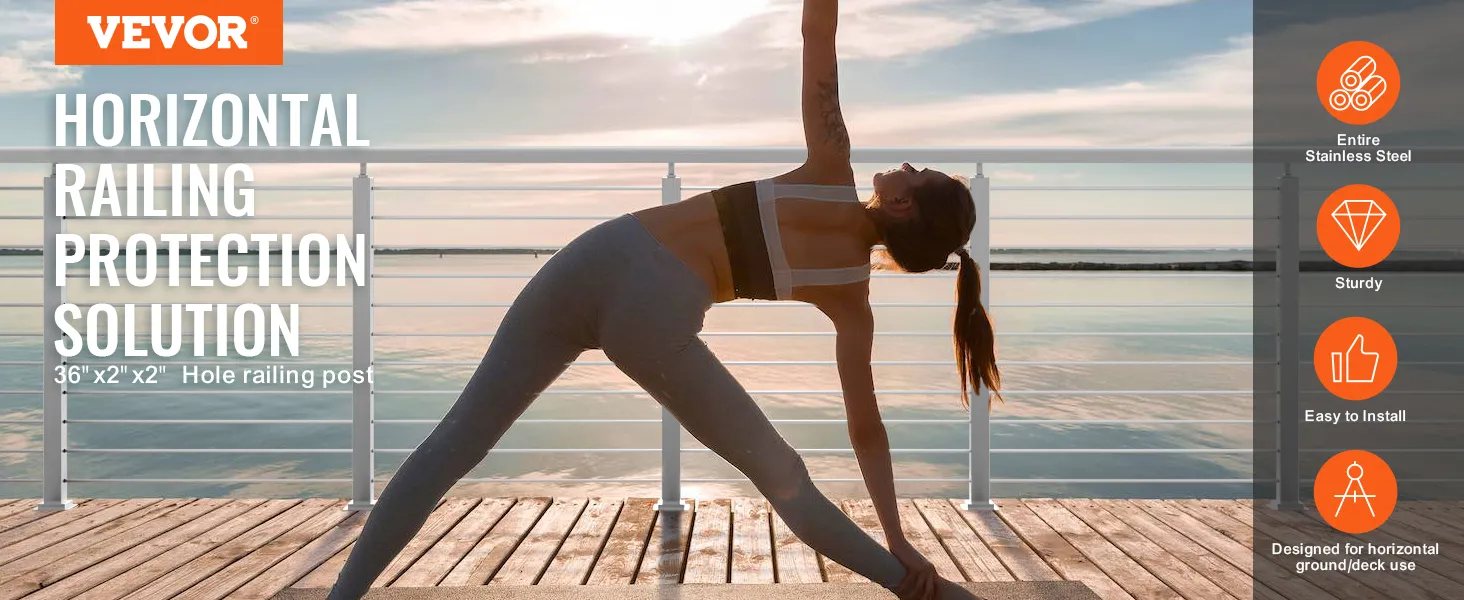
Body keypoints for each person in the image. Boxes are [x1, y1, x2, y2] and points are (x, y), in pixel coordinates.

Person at [323, 0, 999, 598]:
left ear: (906, 204)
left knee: (454, 444)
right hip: (653, 313)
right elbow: (866, 431)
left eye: (917, 171)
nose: (906, 165)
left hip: (597, 256)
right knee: (783, 475)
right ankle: (911, 586)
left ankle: (342, 595)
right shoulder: (852, 300)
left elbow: (816, 24)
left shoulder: (831, 161)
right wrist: (898, 538)